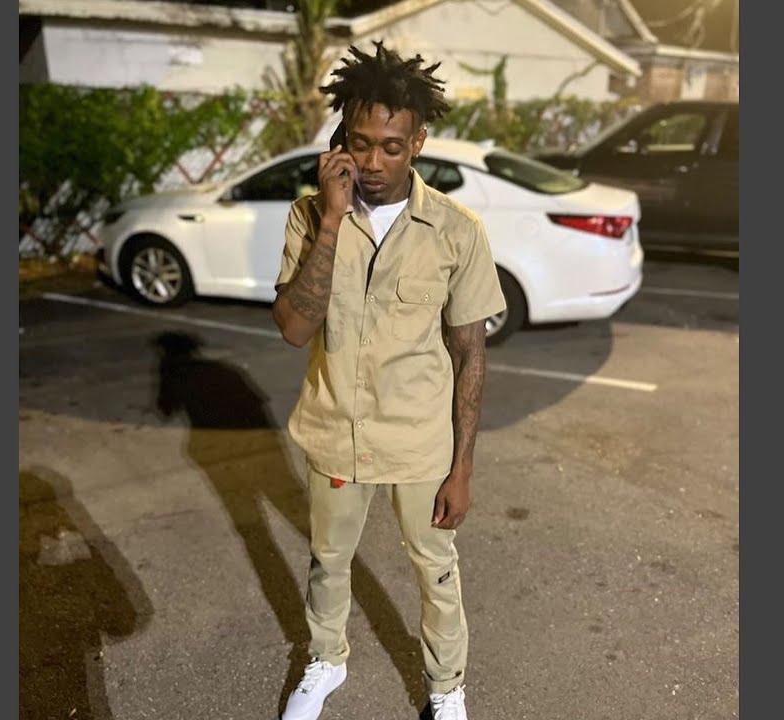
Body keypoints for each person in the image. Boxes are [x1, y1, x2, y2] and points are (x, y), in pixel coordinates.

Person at [271, 41, 506, 720]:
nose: (374, 163)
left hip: (420, 443)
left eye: (392, 147)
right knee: (328, 560)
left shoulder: (456, 232)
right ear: (341, 141)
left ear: (419, 142)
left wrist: (463, 467)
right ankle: (326, 660)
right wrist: (332, 220)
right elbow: (294, 327)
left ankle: (446, 689)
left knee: (436, 571)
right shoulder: (310, 215)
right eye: (360, 143)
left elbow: (470, 355)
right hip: (334, 433)